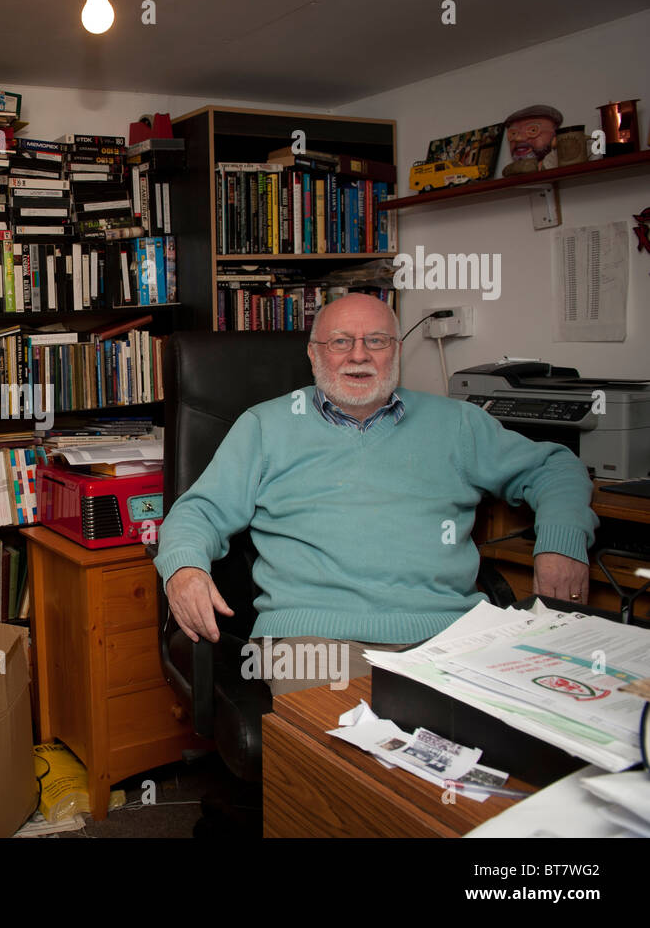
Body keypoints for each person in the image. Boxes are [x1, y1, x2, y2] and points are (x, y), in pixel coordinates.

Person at [153, 293, 597, 693]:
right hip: (316, 639)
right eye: (340, 342)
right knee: (353, 764)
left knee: (525, 731)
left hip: (452, 633)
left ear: (397, 352)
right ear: (313, 354)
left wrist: (562, 543)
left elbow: (554, 467)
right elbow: (199, 512)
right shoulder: (266, 426)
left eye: (377, 341)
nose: (359, 356)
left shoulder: (456, 423)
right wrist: (184, 569)